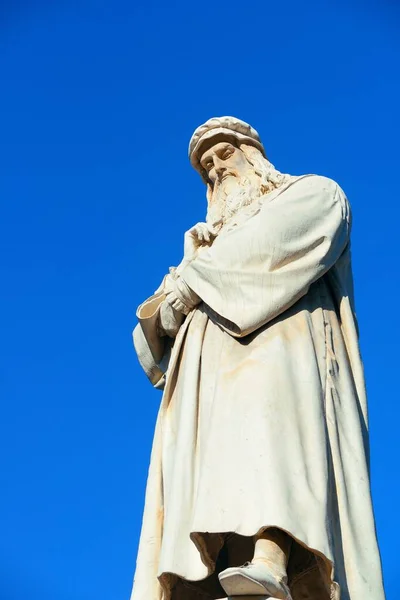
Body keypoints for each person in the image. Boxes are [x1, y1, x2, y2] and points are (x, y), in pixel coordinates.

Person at [130, 116, 385, 600]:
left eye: (224, 154)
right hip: (208, 381)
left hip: (281, 350)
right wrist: (183, 283)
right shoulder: (201, 248)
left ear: (253, 152)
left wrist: (195, 280)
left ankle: (274, 556)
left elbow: (272, 247)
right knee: (213, 472)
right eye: (207, 166)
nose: (217, 170)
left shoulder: (311, 193)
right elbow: (154, 329)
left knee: (274, 448)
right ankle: (220, 572)